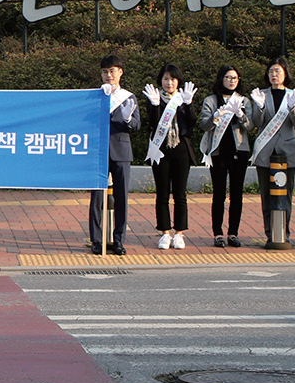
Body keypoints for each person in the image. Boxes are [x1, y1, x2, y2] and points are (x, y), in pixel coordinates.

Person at [247, 57, 295, 242]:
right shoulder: (261, 94)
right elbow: (257, 123)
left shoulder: (294, 95)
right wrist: (260, 107)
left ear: (285, 74)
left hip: (286, 151)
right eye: (271, 71)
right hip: (265, 150)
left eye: (278, 71)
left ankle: (283, 234)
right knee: (266, 195)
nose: (274, 74)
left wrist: (293, 108)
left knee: (285, 194)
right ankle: (270, 233)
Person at [142, 63, 197, 250]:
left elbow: (191, 124)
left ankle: (179, 233)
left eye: (173, 79)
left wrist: (189, 105)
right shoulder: (155, 98)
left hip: (181, 151)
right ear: (161, 80)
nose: (169, 82)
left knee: (180, 194)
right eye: (166, 79)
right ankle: (165, 232)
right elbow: (152, 123)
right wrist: (155, 106)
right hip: (161, 151)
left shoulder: (183, 98)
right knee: (162, 193)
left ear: (178, 81)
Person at [198, 65, 253, 248]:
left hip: (239, 151)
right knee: (219, 193)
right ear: (221, 78)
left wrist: (241, 115)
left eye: (235, 78)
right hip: (218, 151)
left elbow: (250, 126)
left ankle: (233, 233)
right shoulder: (211, 100)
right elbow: (203, 125)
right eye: (228, 77)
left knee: (237, 194)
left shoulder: (243, 100)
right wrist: (214, 117)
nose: (231, 81)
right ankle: (218, 233)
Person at [94, 55, 140, 256]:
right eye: (105, 71)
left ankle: (119, 240)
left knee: (121, 198)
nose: (108, 75)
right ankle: (97, 241)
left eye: (112, 71)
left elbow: (136, 125)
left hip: (121, 152)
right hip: (98, 152)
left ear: (120, 72)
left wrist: (128, 119)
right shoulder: (95, 96)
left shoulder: (128, 97)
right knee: (97, 199)